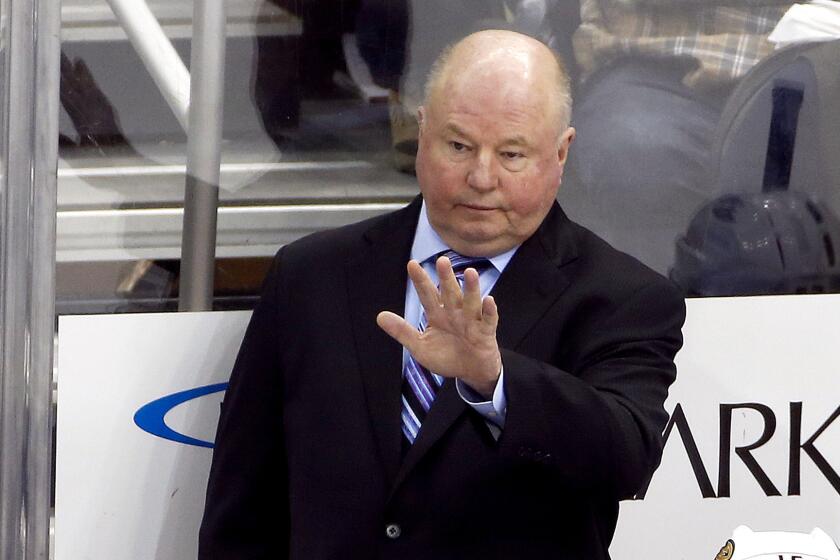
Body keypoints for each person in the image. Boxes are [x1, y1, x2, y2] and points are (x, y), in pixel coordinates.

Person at [199, 29, 685, 559]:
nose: (481, 177)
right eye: (459, 146)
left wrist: (494, 380)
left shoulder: (623, 297)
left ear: (561, 152)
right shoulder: (310, 275)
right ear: (422, 131)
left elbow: (625, 459)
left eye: (512, 154)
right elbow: (242, 506)